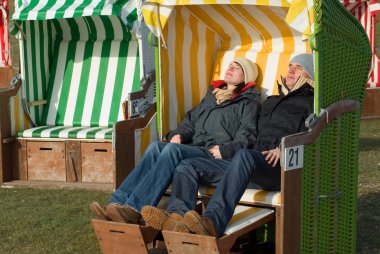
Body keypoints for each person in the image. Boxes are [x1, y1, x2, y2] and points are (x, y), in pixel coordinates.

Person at [141, 53, 315, 237]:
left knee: (244, 155)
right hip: (248, 165)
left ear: (310, 74)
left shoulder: (311, 102)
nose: (292, 70)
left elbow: (314, 134)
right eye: (290, 65)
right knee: (187, 166)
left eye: (299, 67)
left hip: (277, 167)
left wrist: (286, 147)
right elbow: (248, 131)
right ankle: (177, 219)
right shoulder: (271, 101)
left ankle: (212, 222)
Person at [90, 57, 261, 226]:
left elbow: (247, 135)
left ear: (246, 77)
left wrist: (226, 150)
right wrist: (179, 134)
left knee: (173, 151)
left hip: (212, 153)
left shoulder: (248, 102)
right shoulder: (213, 96)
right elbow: (191, 121)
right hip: (195, 146)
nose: (230, 67)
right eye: (230, 65)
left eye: (237, 67)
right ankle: (117, 203)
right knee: (156, 146)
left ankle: (135, 208)